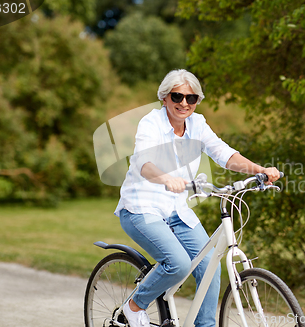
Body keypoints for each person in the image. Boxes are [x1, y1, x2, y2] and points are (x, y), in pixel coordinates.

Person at [114, 69, 280, 327]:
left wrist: (260, 170)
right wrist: (165, 178)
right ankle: (134, 307)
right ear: (164, 98)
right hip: (141, 209)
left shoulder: (198, 124)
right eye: (177, 96)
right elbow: (143, 163)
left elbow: (224, 154)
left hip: (177, 211)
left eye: (191, 98)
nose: (184, 103)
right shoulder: (151, 124)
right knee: (178, 264)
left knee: (210, 268)